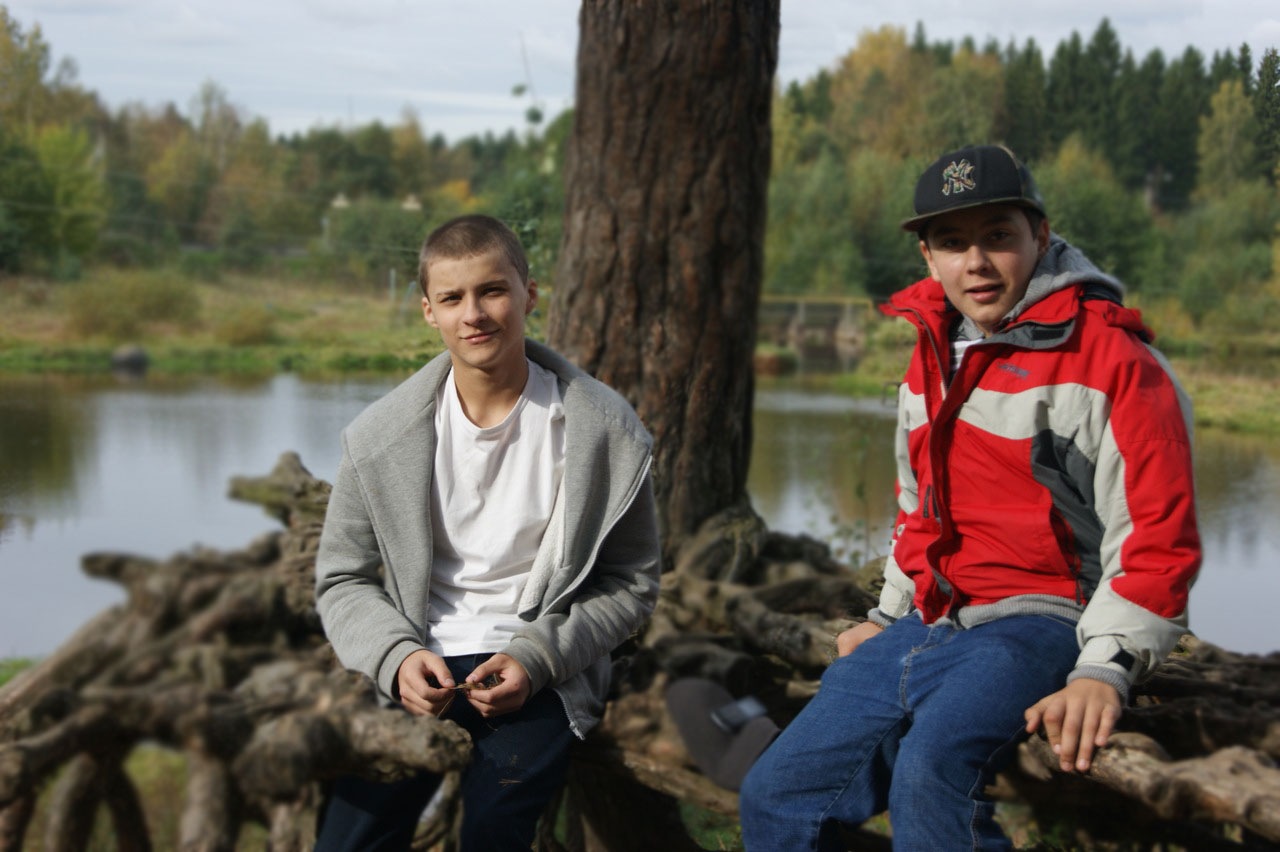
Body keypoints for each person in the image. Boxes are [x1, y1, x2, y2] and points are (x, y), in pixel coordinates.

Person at [739, 144, 1201, 851]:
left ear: (1039, 236)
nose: (976, 262)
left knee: (931, 777)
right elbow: (917, 509)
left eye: (998, 236)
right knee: (776, 795)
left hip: (1043, 620)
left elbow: (1155, 539)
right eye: (953, 243)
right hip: (929, 620)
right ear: (928, 257)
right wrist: (887, 614)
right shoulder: (930, 351)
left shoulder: (1115, 362)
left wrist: (1103, 669)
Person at [312, 214, 661, 851]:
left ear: (530, 295)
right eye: (452, 298)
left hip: (537, 669)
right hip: (418, 663)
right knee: (348, 839)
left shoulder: (605, 432)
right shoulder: (377, 438)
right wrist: (395, 658)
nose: (473, 314)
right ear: (429, 311)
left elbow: (631, 583)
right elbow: (342, 579)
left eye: (492, 290)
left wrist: (537, 658)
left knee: (493, 831)